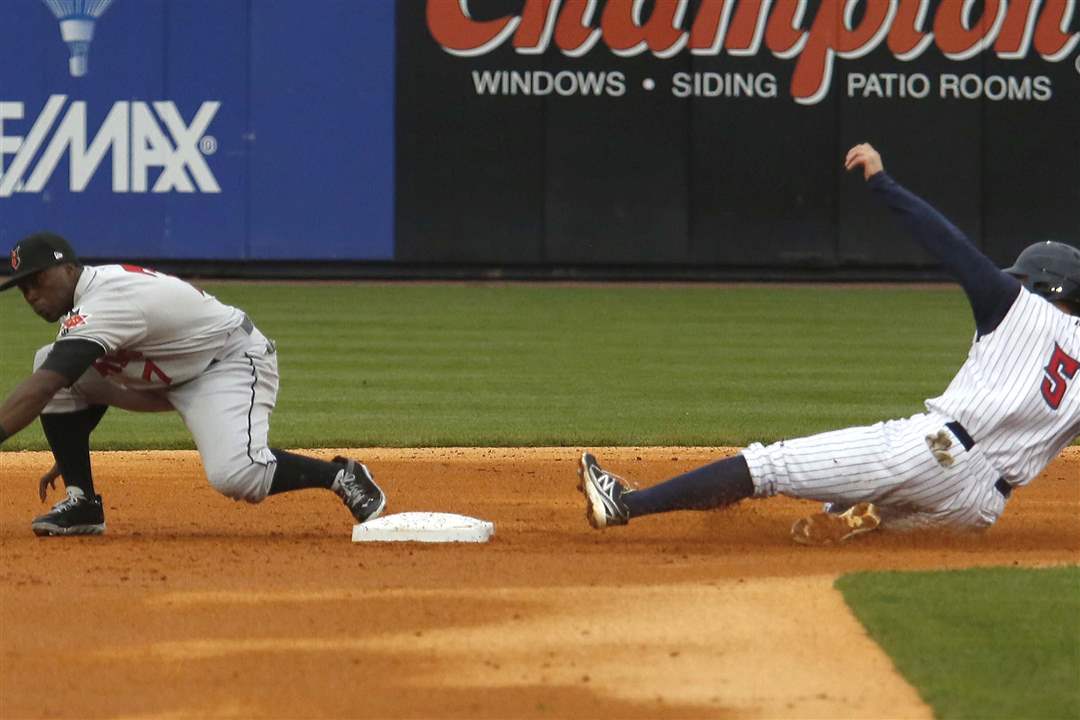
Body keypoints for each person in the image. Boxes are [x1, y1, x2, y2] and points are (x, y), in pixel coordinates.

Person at [578, 143, 1080, 545]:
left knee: (767, 465)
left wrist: (885, 183)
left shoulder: (1015, 304)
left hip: (930, 454)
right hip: (979, 507)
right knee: (868, 529)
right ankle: (857, 515)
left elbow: (950, 246)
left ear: (1039, 283)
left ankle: (625, 503)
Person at [0, 233, 386, 536]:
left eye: (37, 280)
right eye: (22, 288)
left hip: (225, 366)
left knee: (238, 475)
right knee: (47, 359)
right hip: (162, 373)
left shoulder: (108, 301)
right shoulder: (86, 305)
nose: (31, 295)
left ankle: (340, 476)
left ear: (68, 269)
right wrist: (70, 452)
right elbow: (80, 372)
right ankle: (82, 501)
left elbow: (46, 385)